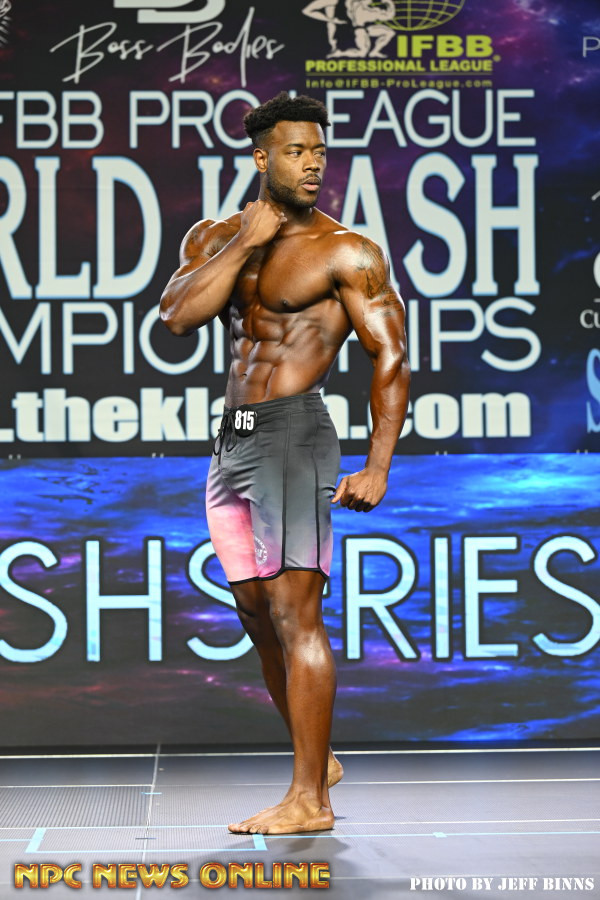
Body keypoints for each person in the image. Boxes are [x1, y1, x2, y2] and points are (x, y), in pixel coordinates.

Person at [160, 92, 410, 835]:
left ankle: (310, 801)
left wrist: (377, 465)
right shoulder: (216, 236)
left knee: (296, 613)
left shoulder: (346, 250)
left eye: (320, 152)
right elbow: (177, 318)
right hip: (233, 439)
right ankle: (316, 758)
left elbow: (390, 356)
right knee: (252, 608)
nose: (313, 165)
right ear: (261, 157)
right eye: (297, 152)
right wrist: (245, 243)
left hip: (296, 435)